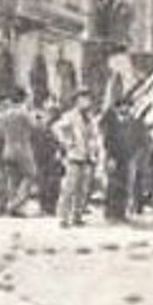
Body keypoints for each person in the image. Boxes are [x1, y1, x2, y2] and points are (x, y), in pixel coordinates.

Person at [54, 90, 100, 227]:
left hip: (88, 156)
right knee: (70, 187)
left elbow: (95, 135)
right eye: (83, 99)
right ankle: (63, 217)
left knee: (83, 188)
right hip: (74, 156)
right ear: (77, 101)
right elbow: (57, 128)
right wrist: (68, 142)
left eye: (88, 99)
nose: (87, 102)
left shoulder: (90, 118)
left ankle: (77, 216)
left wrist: (95, 149)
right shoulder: (70, 116)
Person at [0, 88, 38, 216]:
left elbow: (0, 131)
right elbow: (35, 126)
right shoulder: (23, 113)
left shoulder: (4, 115)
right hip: (22, 148)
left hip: (7, 148)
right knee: (30, 175)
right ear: (24, 98)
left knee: (13, 180)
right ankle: (15, 205)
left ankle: (15, 208)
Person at [101, 100, 137, 222]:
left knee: (123, 185)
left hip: (126, 158)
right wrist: (110, 157)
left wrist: (132, 154)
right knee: (113, 185)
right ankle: (110, 213)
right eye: (124, 106)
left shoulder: (130, 122)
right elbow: (107, 141)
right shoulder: (112, 122)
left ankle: (120, 213)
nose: (126, 109)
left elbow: (133, 140)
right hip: (114, 157)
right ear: (119, 107)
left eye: (128, 106)